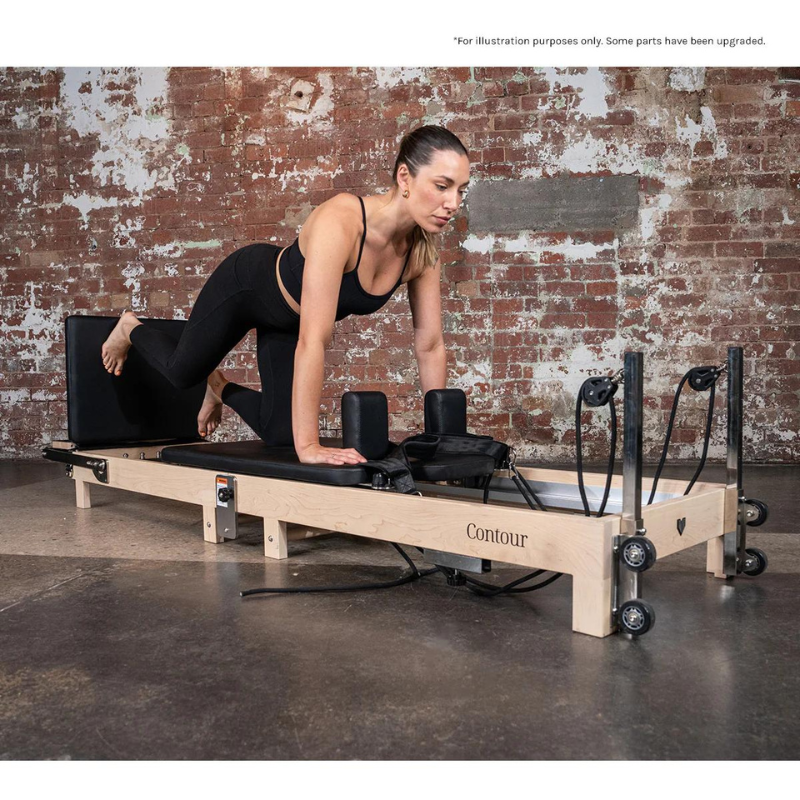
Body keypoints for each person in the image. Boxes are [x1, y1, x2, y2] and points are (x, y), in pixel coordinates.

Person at [101, 125, 470, 465]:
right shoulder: (341, 221)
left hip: (291, 321)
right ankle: (130, 327)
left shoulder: (422, 250)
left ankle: (219, 386)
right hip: (248, 287)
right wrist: (309, 447)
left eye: (460, 190)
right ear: (405, 176)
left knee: (280, 434)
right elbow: (315, 339)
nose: (453, 202)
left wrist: (441, 441)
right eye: (442, 186)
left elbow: (430, 344)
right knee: (181, 374)